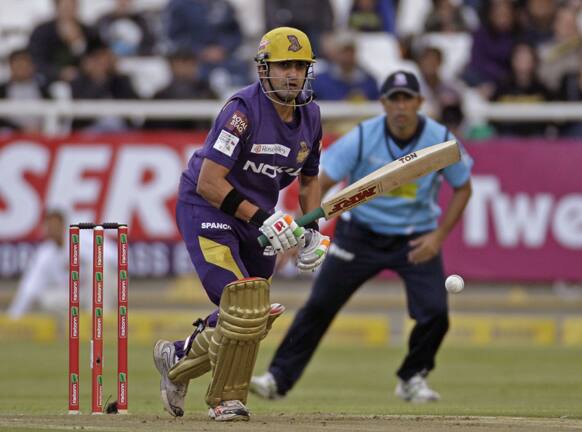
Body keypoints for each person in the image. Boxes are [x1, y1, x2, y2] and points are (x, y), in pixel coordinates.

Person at [250, 70, 473, 404]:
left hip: (416, 239)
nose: (400, 107)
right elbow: (319, 184)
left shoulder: (438, 139)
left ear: (419, 102)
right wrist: (303, 231)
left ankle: (412, 377)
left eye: (407, 99)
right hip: (360, 235)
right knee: (320, 306)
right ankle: (278, 379)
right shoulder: (364, 136)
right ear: (383, 103)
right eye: (393, 99)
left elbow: (463, 188)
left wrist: (438, 237)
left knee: (435, 313)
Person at [152, 27, 331, 422]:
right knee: (241, 301)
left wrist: (313, 231)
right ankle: (225, 401)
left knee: (254, 313)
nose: (293, 75)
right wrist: (267, 219)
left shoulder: (312, 117)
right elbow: (209, 182)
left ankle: (177, 358)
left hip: (255, 216)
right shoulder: (241, 111)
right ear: (264, 69)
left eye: (300, 67)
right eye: (284, 65)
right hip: (208, 209)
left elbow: (309, 178)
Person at [6, 210, 117, 319]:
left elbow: (114, 255)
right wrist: (13, 317)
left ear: (63, 225)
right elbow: (30, 286)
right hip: (76, 295)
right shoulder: (45, 253)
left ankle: (99, 321)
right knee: (46, 300)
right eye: (50, 227)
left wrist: (86, 259)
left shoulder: (82, 238)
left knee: (100, 269)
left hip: (101, 290)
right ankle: (76, 326)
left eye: (55, 226)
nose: (53, 230)